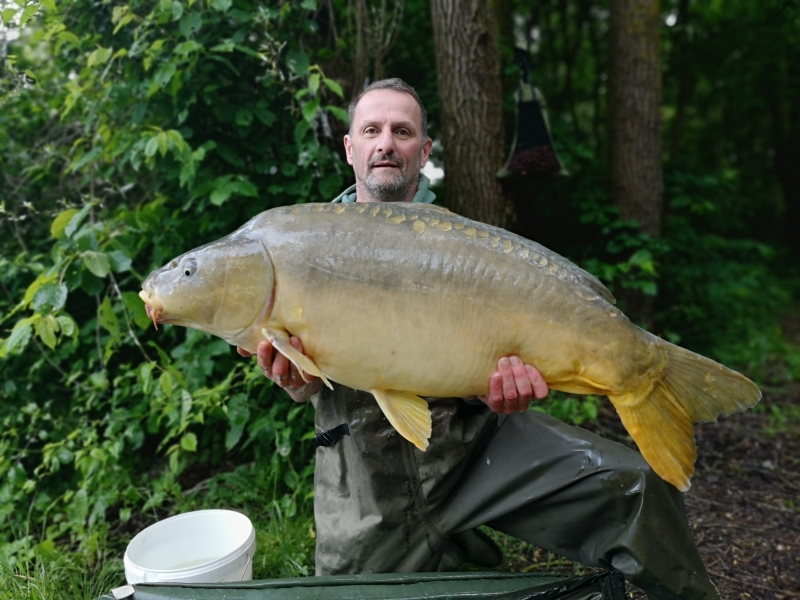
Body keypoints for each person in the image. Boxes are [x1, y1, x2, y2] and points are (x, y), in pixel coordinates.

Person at [239, 79, 719, 600]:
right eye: (371, 130)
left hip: (475, 448)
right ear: (350, 147)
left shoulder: (465, 247)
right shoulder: (298, 243)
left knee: (637, 490)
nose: (386, 143)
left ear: (423, 152)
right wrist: (295, 381)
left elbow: (477, 363)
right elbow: (304, 380)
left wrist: (496, 389)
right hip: (365, 469)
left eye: (402, 131)